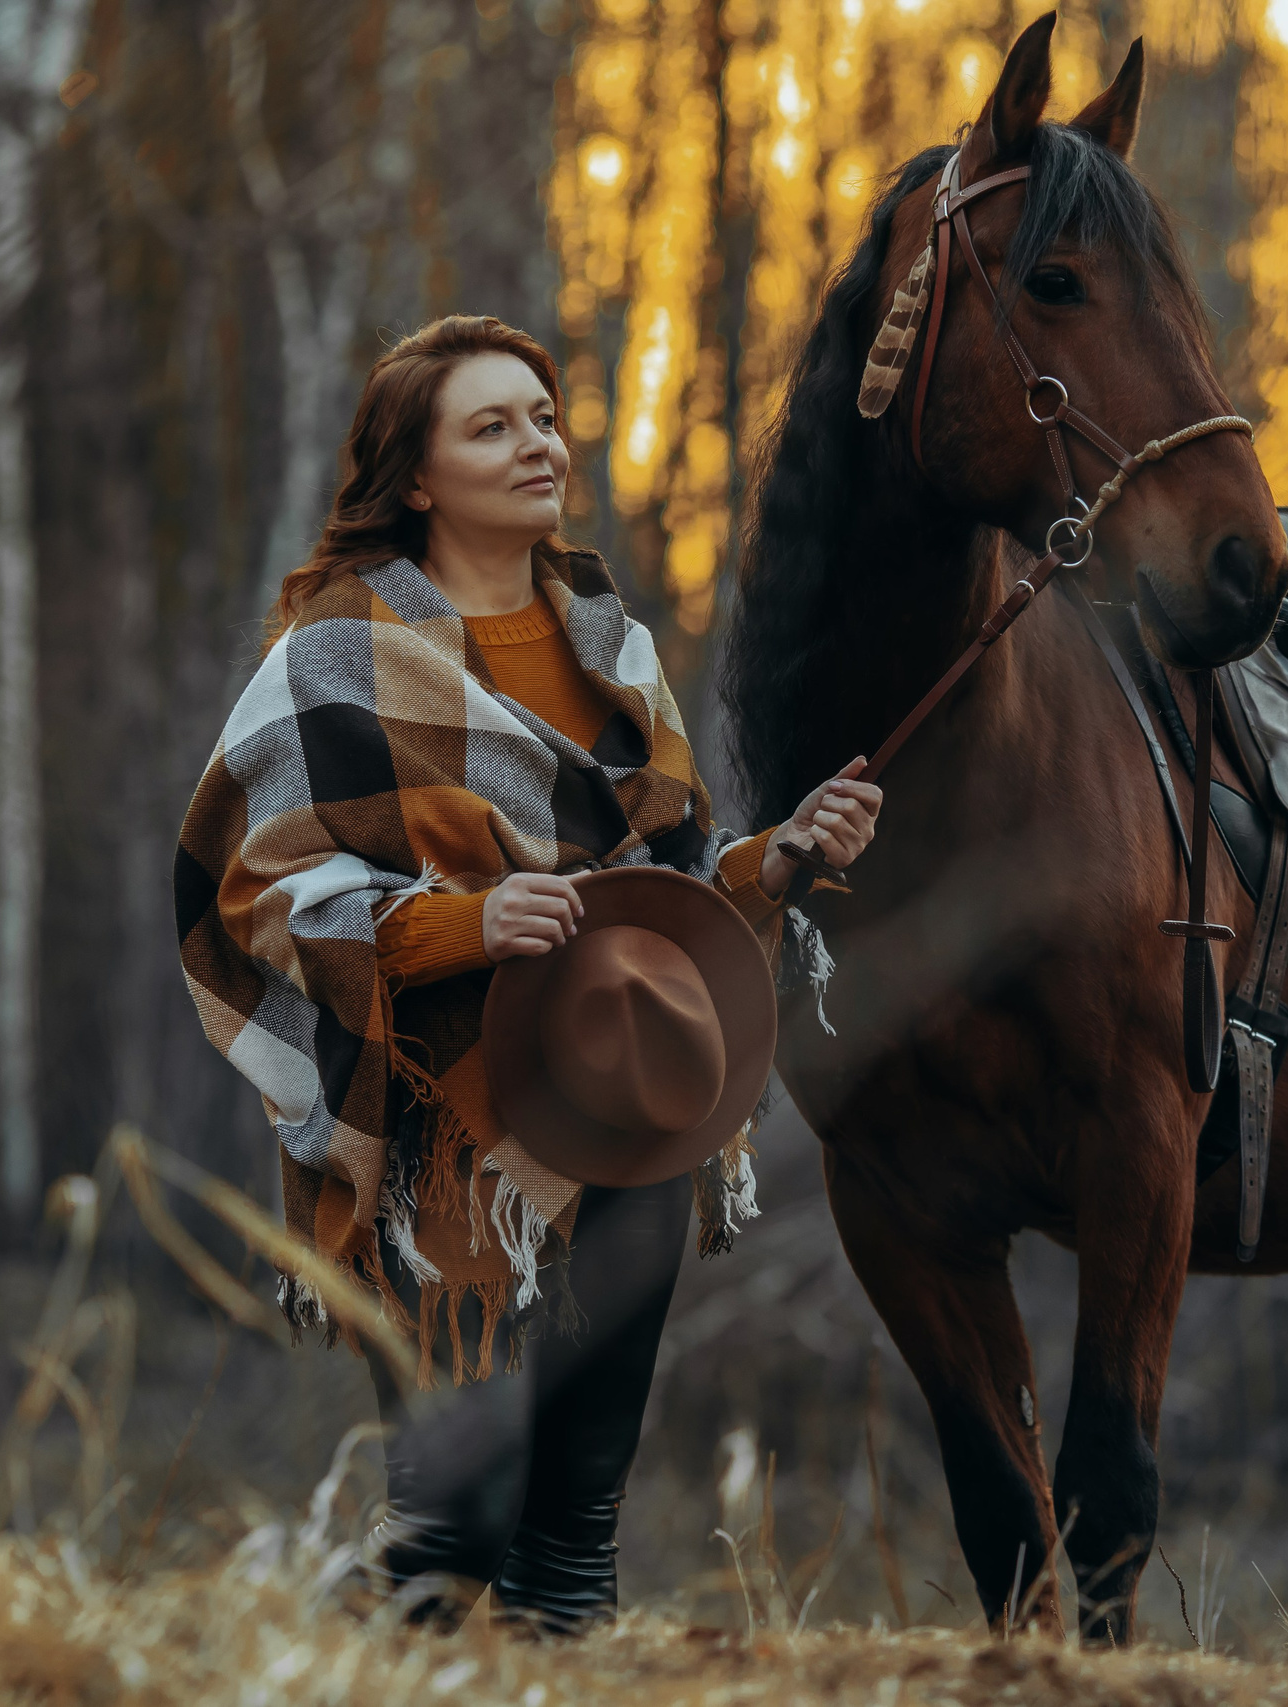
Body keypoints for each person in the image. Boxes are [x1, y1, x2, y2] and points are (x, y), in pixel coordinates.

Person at [174, 315, 880, 1633]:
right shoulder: (334, 653)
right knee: (455, 1527)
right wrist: (464, 924)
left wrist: (775, 862)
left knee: (573, 1537)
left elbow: (670, 880)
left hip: (628, 1112)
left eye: (544, 416)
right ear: (417, 476)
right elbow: (248, 896)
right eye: (491, 425)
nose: (536, 443)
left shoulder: (612, 645)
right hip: (452, 1130)